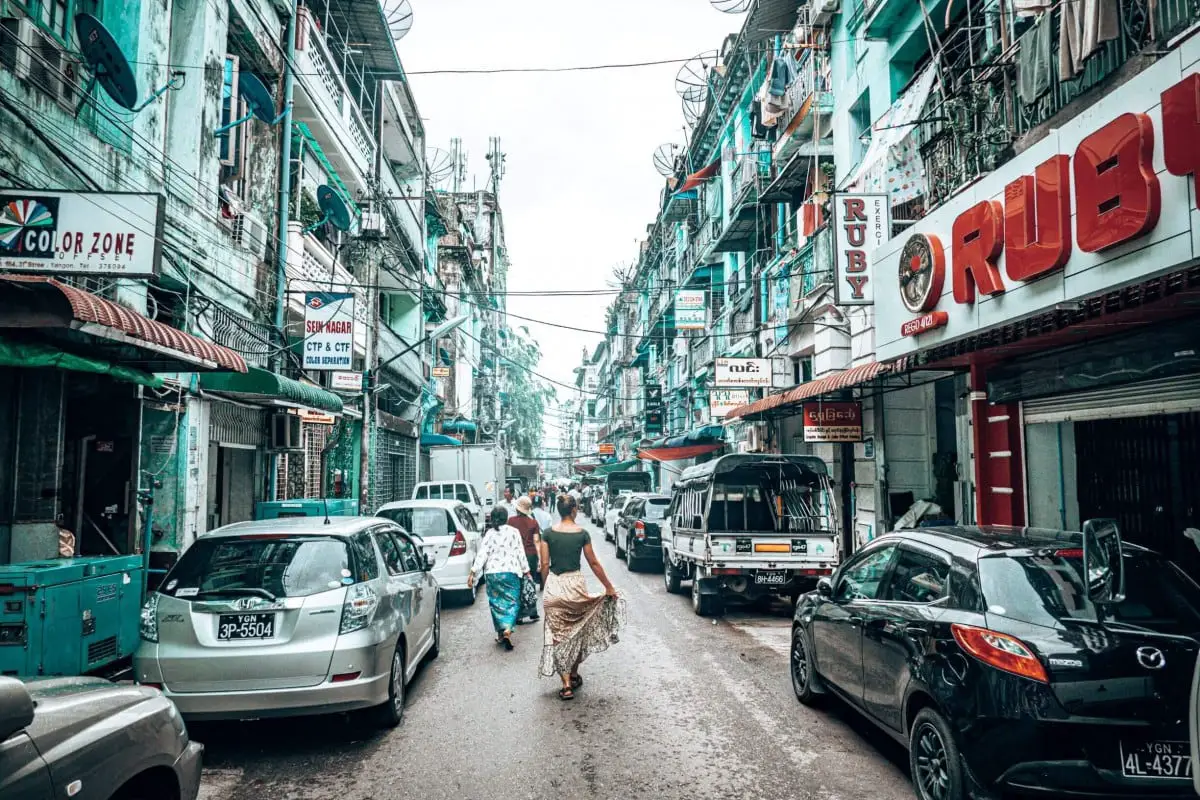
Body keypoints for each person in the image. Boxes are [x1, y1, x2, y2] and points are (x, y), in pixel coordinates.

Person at [538, 493, 622, 700]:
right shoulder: (582, 534)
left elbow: (545, 565)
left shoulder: (547, 534)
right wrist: (609, 587)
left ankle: (566, 683)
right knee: (576, 632)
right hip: (575, 586)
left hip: (554, 588)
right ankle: (573, 673)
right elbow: (594, 563)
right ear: (574, 510)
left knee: (558, 636)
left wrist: (547, 584)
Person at [468, 506, 531, 651]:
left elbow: (482, 554)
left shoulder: (489, 534)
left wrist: (473, 572)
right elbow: (520, 553)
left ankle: (501, 633)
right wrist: (527, 571)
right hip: (512, 572)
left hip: (493, 573)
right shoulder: (514, 532)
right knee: (513, 602)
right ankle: (508, 628)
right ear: (506, 518)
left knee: (496, 603)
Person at [508, 496, 543, 611]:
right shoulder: (533, 522)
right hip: (531, 555)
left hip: (516, 556)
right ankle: (532, 611)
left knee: (517, 584)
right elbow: (537, 541)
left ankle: (519, 614)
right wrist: (540, 559)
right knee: (530, 583)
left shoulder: (511, 521)